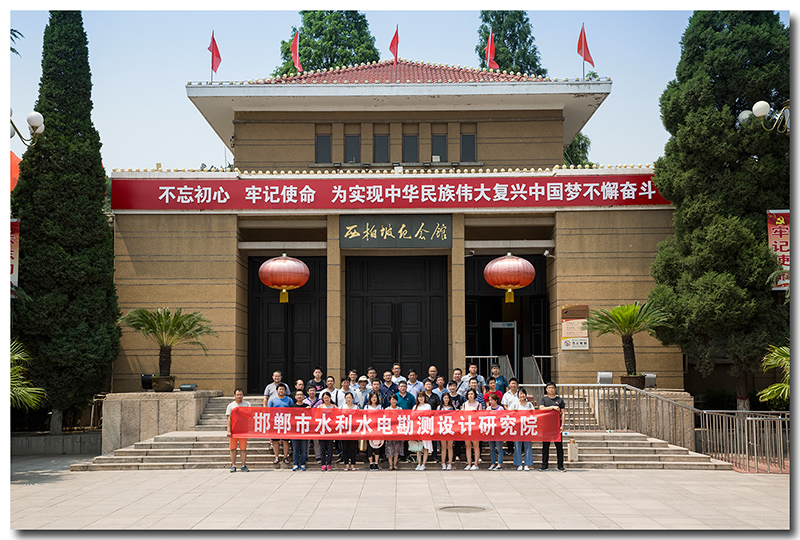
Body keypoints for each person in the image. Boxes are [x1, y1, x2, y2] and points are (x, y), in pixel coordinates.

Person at [539, 381, 566, 472]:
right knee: (545, 447)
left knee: (559, 447)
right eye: (549, 388)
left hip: (556, 427)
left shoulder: (560, 400)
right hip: (546, 426)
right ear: (546, 389)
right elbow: (541, 409)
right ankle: (544, 466)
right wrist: (552, 407)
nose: (551, 389)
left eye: (552, 388)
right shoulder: (543, 399)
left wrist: (563, 425)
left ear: (555, 389)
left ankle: (560, 466)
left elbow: (563, 413)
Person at [267, 384, 293, 465]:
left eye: (283, 389)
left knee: (285, 441)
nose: (281, 391)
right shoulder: (272, 400)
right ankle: (276, 457)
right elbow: (269, 411)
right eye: (280, 389)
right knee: (275, 441)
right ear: (277, 390)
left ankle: (285, 457)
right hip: (275, 422)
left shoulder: (289, 399)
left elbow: (293, 410)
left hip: (286, 422)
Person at [226, 388, 250, 472]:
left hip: (243, 430)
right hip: (234, 430)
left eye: (241, 394)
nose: (239, 396)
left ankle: (243, 465)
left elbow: (250, 416)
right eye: (238, 395)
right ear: (234, 396)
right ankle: (233, 465)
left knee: (243, 448)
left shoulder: (247, 404)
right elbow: (229, 419)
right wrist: (228, 430)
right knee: (233, 448)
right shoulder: (231, 405)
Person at [512, 388, 535, 470]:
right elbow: (509, 414)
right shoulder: (515, 404)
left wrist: (531, 411)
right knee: (517, 446)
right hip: (517, 427)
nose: (522, 395)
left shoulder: (529, 404)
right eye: (520, 394)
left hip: (527, 427)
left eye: (523, 393)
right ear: (518, 395)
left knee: (528, 446)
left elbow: (535, 414)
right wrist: (514, 411)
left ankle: (527, 464)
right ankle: (519, 464)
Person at [461, 388, 483, 470]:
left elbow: (481, 416)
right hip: (467, 426)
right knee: (468, 446)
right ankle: (469, 463)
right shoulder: (464, 404)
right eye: (469, 394)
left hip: (475, 427)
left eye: (472, 394)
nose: (470, 395)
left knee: (476, 445)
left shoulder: (478, 404)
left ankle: (476, 464)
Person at [290, 389, 310, 471]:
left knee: (304, 449)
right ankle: (295, 464)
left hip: (304, 431)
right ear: (295, 396)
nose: (299, 396)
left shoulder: (306, 406)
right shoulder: (292, 407)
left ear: (304, 396)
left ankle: (302, 463)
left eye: (301, 395)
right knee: (295, 449)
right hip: (294, 431)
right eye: (298, 395)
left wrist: (309, 410)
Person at [412, 392, 433, 471]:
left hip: (425, 427)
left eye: (422, 397)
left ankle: (424, 464)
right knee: (418, 447)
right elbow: (412, 416)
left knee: (425, 447)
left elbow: (428, 415)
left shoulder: (428, 406)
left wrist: (419, 414)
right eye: (419, 397)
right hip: (417, 428)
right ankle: (419, 463)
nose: (420, 398)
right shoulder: (415, 407)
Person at [340, 392, 360, 471]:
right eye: (347, 398)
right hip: (344, 430)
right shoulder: (342, 407)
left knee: (353, 448)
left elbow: (359, 417)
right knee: (345, 448)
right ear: (345, 399)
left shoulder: (356, 407)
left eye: (350, 398)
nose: (348, 399)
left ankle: (353, 464)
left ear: (352, 399)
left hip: (353, 431)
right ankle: (346, 464)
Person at [364, 392, 384, 470]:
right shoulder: (367, 407)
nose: (374, 399)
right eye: (372, 397)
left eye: (375, 397)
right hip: (369, 429)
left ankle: (376, 463)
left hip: (378, 429)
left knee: (377, 446)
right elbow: (364, 417)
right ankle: (371, 463)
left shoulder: (380, 407)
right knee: (370, 447)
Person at [317, 391, 336, 470]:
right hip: (322, 430)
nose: (326, 399)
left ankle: (329, 464)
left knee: (330, 448)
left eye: (328, 398)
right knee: (322, 448)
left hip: (330, 430)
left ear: (330, 398)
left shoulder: (334, 407)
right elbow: (316, 417)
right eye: (325, 398)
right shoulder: (320, 407)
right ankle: (323, 464)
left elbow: (337, 417)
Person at [383, 394, 403, 471]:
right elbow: (385, 419)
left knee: (396, 448)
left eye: (395, 399)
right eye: (392, 399)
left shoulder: (400, 409)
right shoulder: (387, 409)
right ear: (390, 401)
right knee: (389, 448)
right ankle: (390, 464)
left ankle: (395, 464)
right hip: (389, 431)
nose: (394, 401)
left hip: (397, 430)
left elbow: (402, 419)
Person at [485, 393, 505, 470]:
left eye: (492, 400)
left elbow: (502, 418)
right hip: (490, 430)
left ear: (496, 400)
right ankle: (493, 463)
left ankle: (499, 464)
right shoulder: (488, 409)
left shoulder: (500, 408)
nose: (490, 402)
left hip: (498, 430)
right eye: (489, 400)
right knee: (491, 448)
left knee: (499, 448)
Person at [501, 377, 520, 456]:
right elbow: (504, 404)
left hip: (519, 416)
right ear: (509, 385)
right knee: (509, 432)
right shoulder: (506, 394)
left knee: (519, 432)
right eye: (512, 383)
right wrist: (509, 411)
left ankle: (520, 449)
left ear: (517, 385)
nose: (513, 385)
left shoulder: (520, 393)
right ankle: (510, 449)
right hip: (509, 416)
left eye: (515, 383)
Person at [303, 386, 322, 462]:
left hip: (316, 422)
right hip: (307, 422)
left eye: (313, 390)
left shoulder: (320, 401)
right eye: (310, 391)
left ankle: (318, 456)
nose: (312, 392)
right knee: (306, 441)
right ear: (307, 392)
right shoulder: (304, 401)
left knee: (316, 441)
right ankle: (305, 456)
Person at [438, 392, 456, 470]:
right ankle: (443, 463)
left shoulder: (452, 407)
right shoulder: (439, 407)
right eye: (444, 398)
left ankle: (450, 463)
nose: (446, 399)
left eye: (447, 398)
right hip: (442, 428)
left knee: (450, 447)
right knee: (443, 447)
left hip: (450, 428)